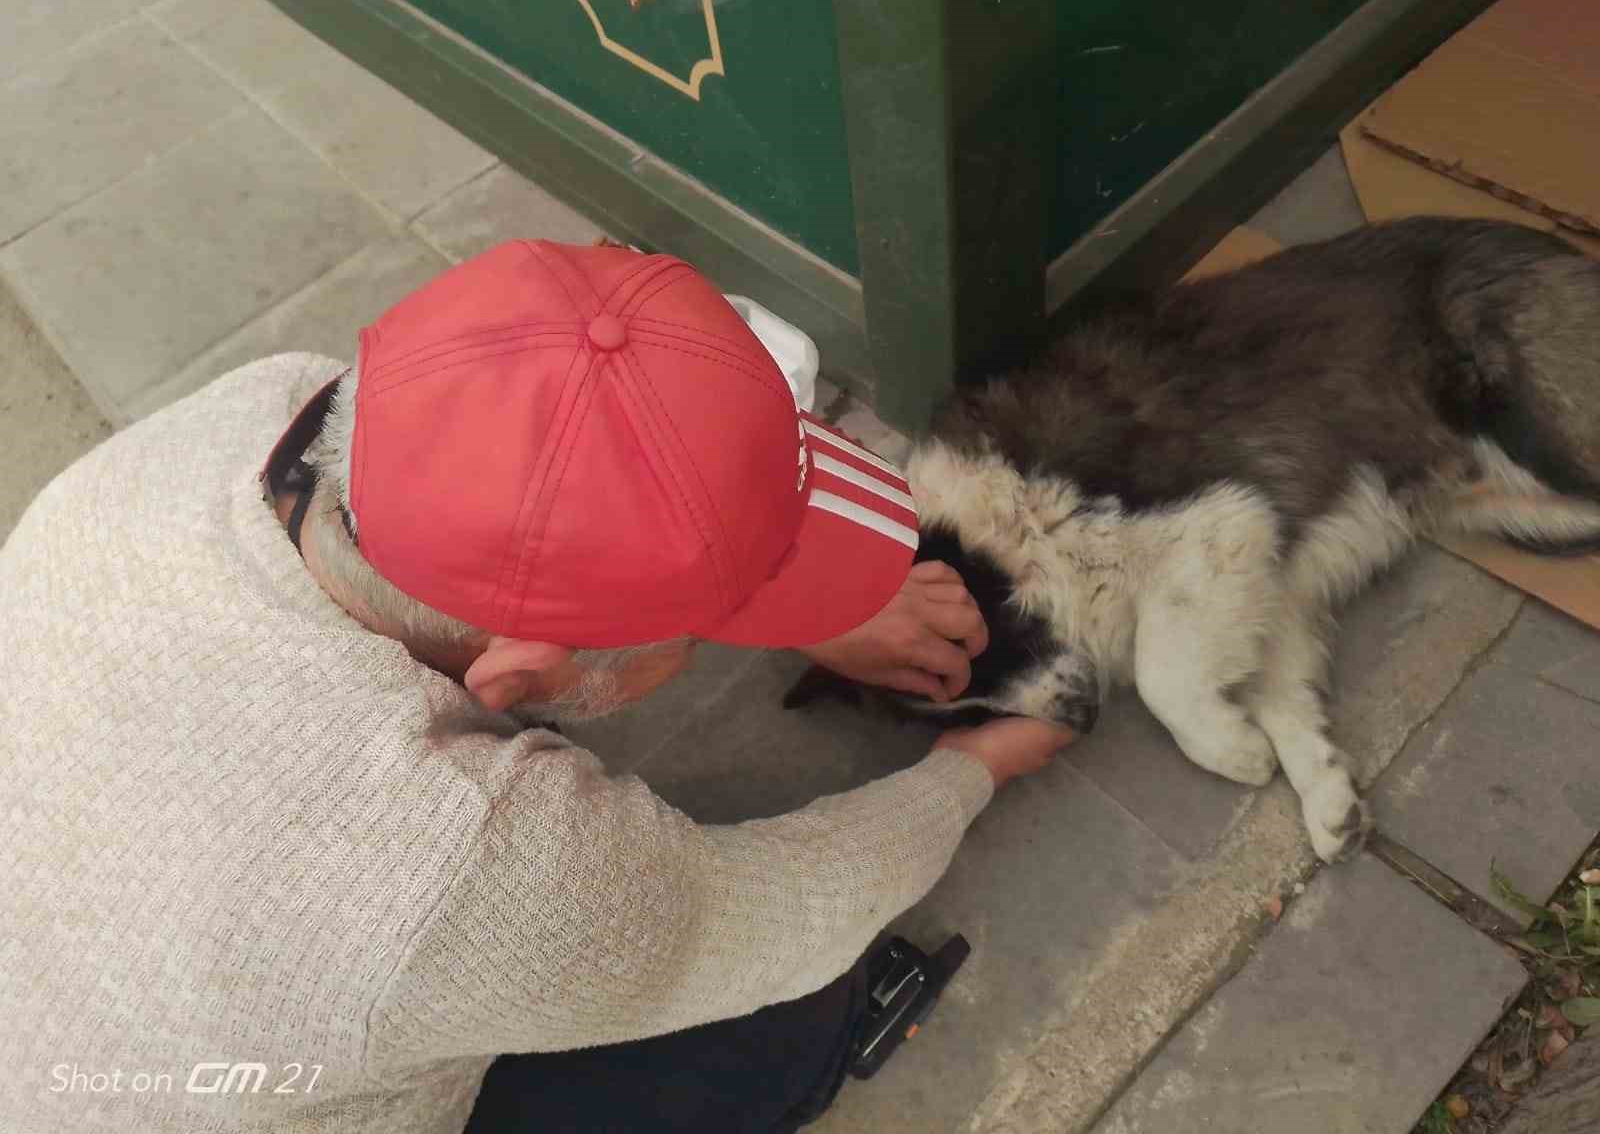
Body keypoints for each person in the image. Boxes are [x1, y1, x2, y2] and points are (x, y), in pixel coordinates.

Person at [0, 239, 1075, 1134]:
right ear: (519, 676)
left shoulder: (256, 416)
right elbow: (789, 911)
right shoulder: (463, 865)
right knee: (777, 1024)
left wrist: (792, 596)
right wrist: (970, 765)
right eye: (706, 630)